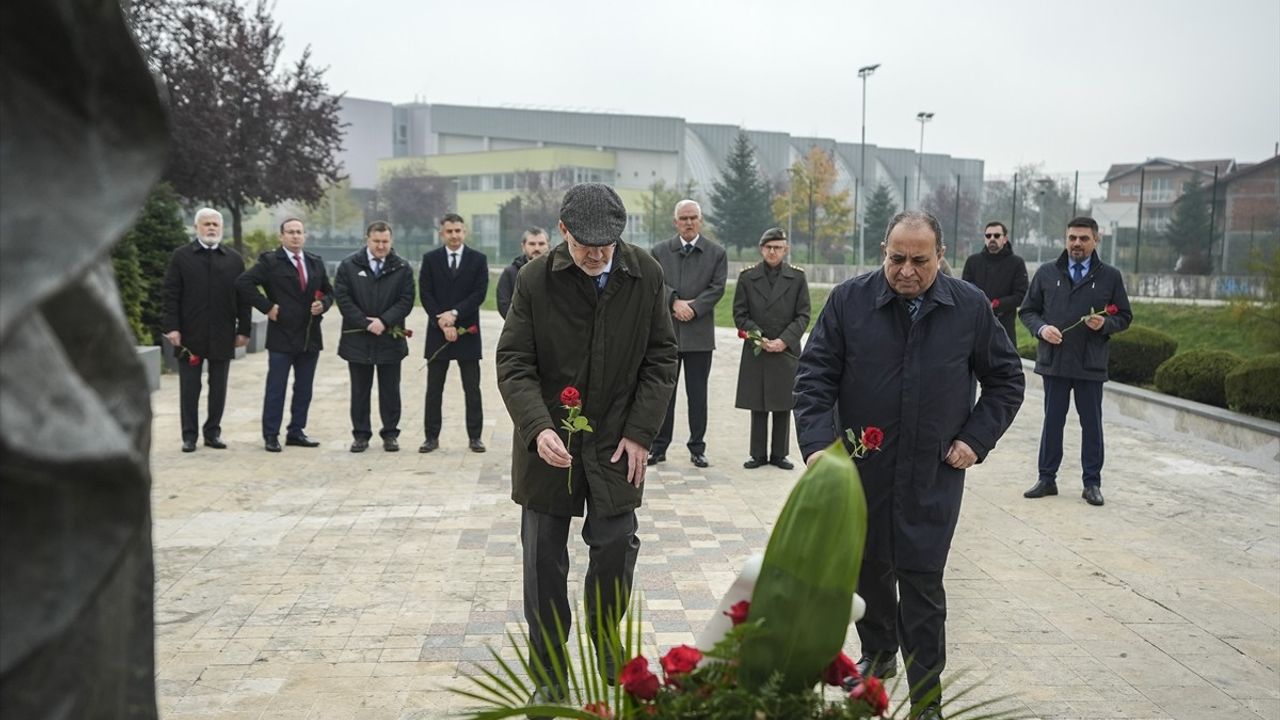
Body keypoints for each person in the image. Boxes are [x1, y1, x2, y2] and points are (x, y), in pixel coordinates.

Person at [793, 211, 1025, 719]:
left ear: (940, 256)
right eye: (897, 258)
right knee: (868, 567)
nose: (906, 270)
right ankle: (878, 650)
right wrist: (817, 446)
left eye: (920, 260)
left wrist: (974, 439)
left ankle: (927, 701)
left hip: (931, 472)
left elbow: (1007, 379)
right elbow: (814, 379)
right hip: (861, 469)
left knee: (922, 582)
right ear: (884, 251)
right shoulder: (848, 302)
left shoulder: (967, 308)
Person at [496, 183, 678, 704]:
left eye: (608, 244)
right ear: (562, 231)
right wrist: (538, 427)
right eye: (585, 245)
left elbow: (662, 359)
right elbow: (513, 362)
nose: (597, 255)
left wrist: (641, 433)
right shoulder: (535, 279)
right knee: (543, 560)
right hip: (551, 442)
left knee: (617, 544)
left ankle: (604, 636)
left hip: (617, 439)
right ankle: (550, 678)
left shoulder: (644, 274)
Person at [1019, 216, 1133, 507]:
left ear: (1096, 240)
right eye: (1072, 238)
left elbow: (1124, 316)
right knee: (1052, 421)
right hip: (1054, 361)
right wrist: (1042, 329)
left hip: (1090, 364)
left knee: (1091, 424)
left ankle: (1092, 483)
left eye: (1083, 238)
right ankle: (1047, 479)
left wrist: (1104, 325)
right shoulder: (1046, 273)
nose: (1077, 244)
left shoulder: (1110, 276)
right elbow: (1028, 311)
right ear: (1065, 239)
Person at [235, 218, 333, 452]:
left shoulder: (315, 262)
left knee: (304, 388)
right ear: (281, 236)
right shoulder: (270, 261)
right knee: (276, 388)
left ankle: (296, 431)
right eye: (290, 232)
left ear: (305, 235)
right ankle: (271, 434)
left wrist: (324, 304)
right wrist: (267, 307)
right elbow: (243, 283)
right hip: (282, 335)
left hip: (310, 335)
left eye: (299, 232)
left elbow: (330, 291)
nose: (295, 236)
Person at [162, 208, 251, 453]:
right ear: (196, 227)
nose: (211, 228)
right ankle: (189, 436)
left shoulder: (234, 259)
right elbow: (171, 294)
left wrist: (243, 329)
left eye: (215, 224)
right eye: (206, 224)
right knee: (190, 387)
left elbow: (244, 297)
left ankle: (212, 432)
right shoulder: (181, 257)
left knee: (219, 385)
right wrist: (172, 327)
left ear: (221, 228)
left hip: (223, 333)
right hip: (189, 334)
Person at [648, 199, 727, 468]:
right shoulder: (659, 251)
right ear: (675, 222)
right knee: (663, 393)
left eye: (693, 217)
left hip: (700, 336)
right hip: (666, 335)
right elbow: (654, 283)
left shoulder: (716, 253)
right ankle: (658, 447)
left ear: (701, 220)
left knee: (698, 394)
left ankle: (697, 447)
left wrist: (694, 308)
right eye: (683, 218)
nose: (689, 222)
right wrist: (673, 302)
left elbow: (717, 288)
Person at [334, 221, 416, 453]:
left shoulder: (402, 267)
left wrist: (384, 321)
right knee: (360, 390)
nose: (381, 246)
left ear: (391, 241)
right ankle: (361, 435)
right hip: (358, 340)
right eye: (376, 241)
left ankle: (390, 434)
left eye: (385, 241)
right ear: (367, 240)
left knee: (390, 390)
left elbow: (406, 300)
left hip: (390, 339)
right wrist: (365, 322)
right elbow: (343, 297)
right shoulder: (349, 265)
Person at [732, 227, 810, 470]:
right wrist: (759, 338)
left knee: (783, 403)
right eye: (769, 247)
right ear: (761, 249)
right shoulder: (747, 277)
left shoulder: (797, 278)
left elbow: (803, 314)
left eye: (778, 247)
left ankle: (779, 454)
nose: (773, 252)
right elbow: (740, 314)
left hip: (785, 350)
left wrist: (784, 340)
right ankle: (757, 454)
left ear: (785, 250)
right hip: (758, 348)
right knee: (758, 402)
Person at [419, 213, 489, 453]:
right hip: (438, 332)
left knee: (472, 388)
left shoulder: (478, 260)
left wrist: (455, 315)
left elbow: (479, 293)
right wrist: (443, 321)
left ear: (465, 231)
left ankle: (475, 437)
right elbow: (425, 293)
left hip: (468, 332)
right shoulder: (430, 259)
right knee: (434, 388)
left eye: (458, 230)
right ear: (442, 233)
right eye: (449, 231)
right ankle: (431, 437)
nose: (454, 235)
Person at [961, 221, 1029, 345]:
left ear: (1005, 239)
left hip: (1004, 328)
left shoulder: (1016, 263)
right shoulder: (973, 261)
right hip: (976, 326)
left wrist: (997, 304)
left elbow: (1021, 295)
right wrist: (982, 303)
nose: (992, 239)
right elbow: (964, 290)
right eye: (988, 236)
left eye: (997, 236)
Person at [497, 226, 550, 318]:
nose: (537, 248)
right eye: (532, 244)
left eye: (541, 244)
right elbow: (503, 305)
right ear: (523, 246)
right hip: (520, 329)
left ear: (548, 246)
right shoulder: (510, 273)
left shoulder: (557, 271)